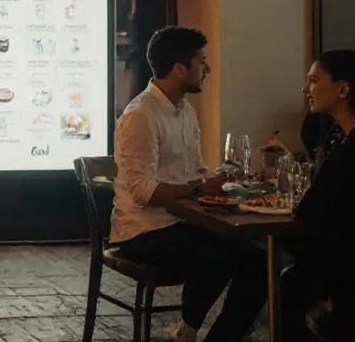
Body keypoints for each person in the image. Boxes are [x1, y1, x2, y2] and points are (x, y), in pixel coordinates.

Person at [113, 27, 266, 342]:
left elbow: (195, 171)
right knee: (215, 260)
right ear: (179, 69)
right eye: (202, 62)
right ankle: (188, 332)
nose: (208, 70)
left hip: (180, 221)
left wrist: (227, 177)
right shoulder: (141, 115)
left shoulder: (184, 111)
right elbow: (143, 191)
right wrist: (199, 189)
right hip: (142, 229)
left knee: (257, 259)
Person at [280, 50, 355, 340]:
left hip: (345, 266)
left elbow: (309, 219)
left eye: (313, 80)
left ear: (343, 89)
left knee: (285, 282)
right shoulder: (338, 140)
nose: (304, 89)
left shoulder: (346, 155)